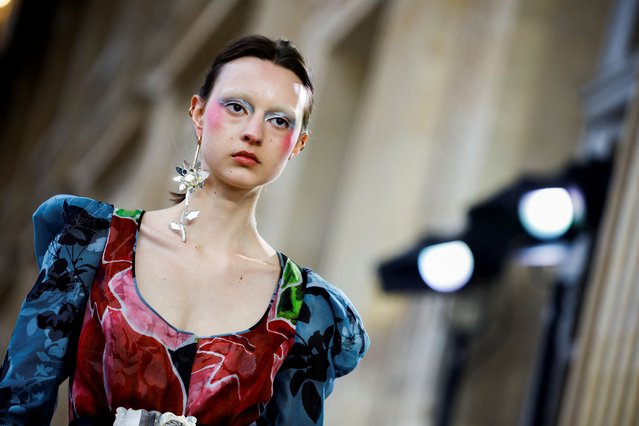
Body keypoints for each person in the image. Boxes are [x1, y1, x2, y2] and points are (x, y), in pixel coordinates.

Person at [0, 35, 369, 425]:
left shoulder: (305, 309)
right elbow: (16, 407)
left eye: (279, 120)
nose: (253, 132)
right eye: (236, 107)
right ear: (197, 112)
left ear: (298, 144)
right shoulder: (91, 242)